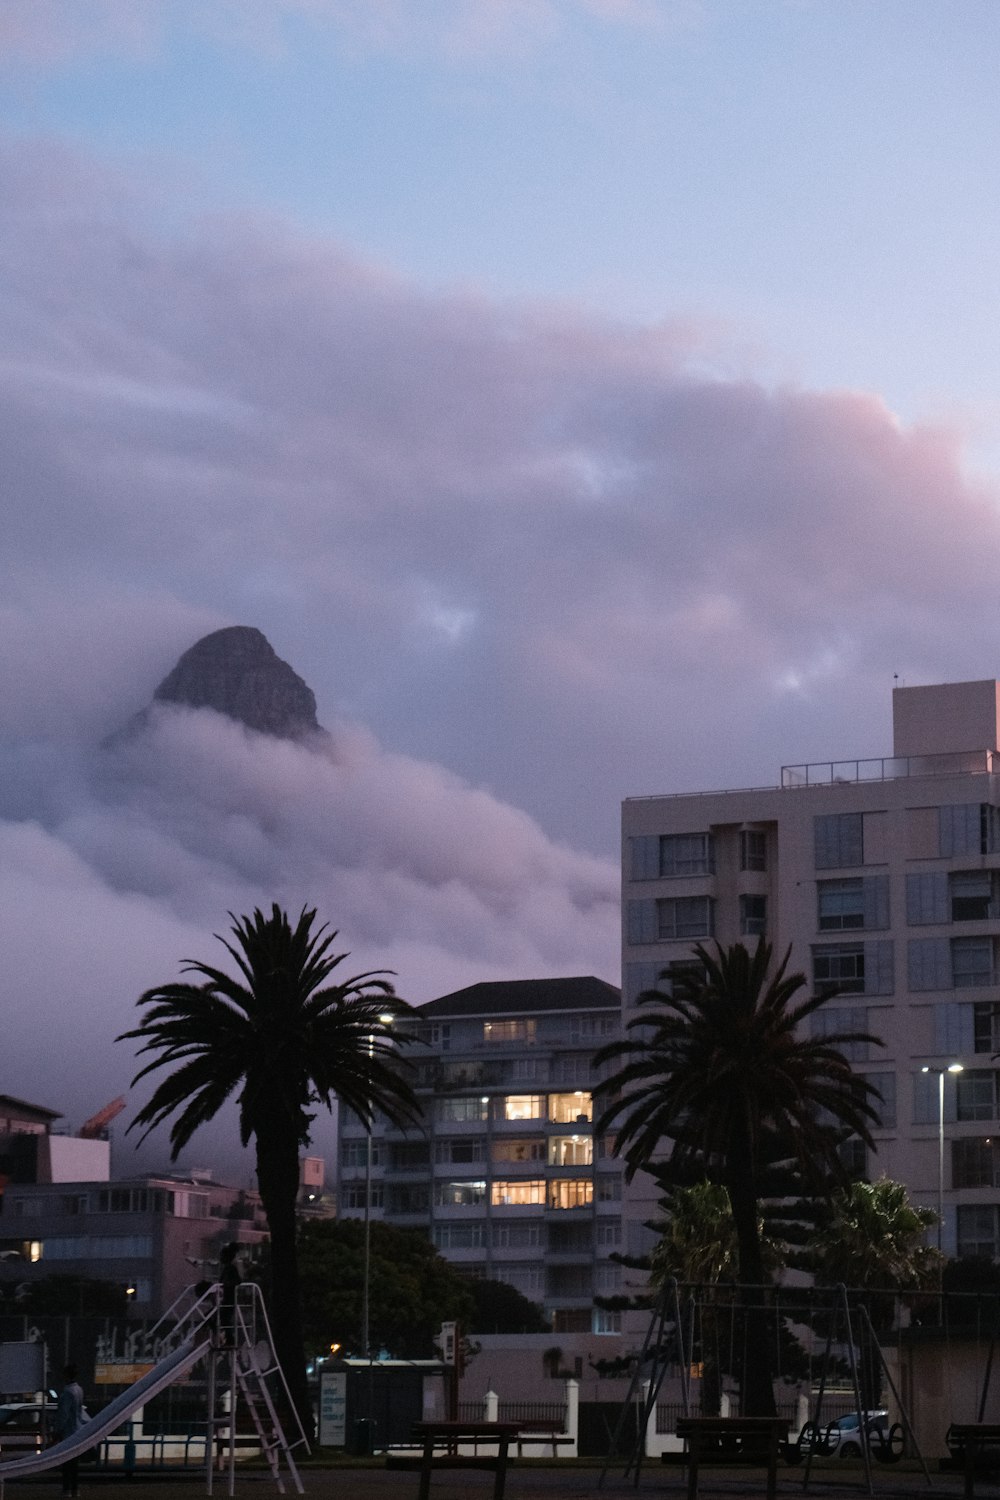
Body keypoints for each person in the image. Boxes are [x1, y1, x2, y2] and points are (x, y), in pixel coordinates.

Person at [54, 1364, 85, 1498]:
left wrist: (57, 1430)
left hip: (68, 1431)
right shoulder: (79, 1389)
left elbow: (63, 1414)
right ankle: (75, 1489)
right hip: (78, 1429)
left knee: (67, 1463)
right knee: (74, 1463)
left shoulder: (67, 1392)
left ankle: (66, 1489)